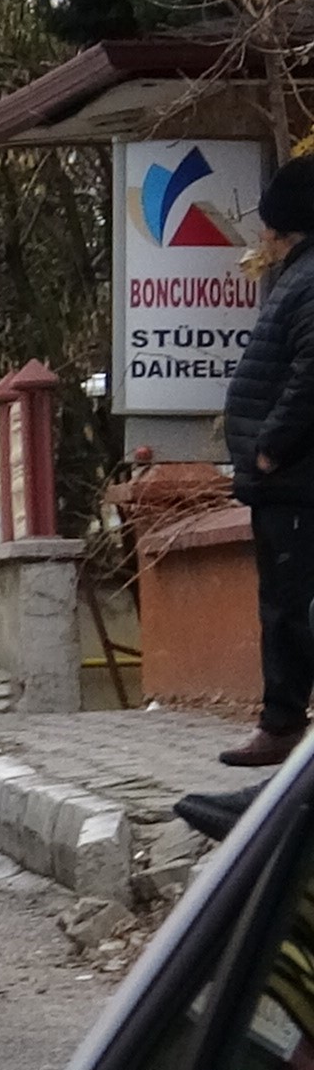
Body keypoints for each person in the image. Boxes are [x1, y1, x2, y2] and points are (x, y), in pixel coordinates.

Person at [224, 156, 314, 767]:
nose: (263, 239)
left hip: (296, 477)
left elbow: (311, 374)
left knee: (291, 606)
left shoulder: (308, 281)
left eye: (270, 229)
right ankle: (281, 723)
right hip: (285, 479)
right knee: (284, 604)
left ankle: (283, 725)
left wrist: (272, 445)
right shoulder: (298, 278)